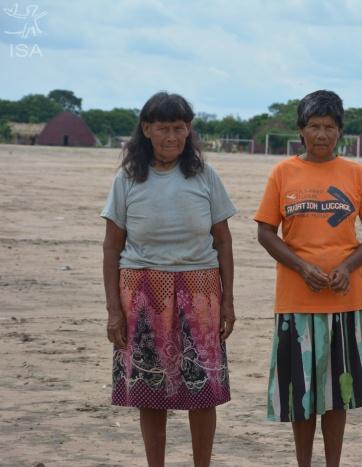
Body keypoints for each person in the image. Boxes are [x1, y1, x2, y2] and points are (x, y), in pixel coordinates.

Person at [101, 92, 236, 467]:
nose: (172, 136)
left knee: (203, 389)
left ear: (189, 130)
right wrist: (114, 311)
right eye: (163, 128)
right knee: (149, 390)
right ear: (146, 130)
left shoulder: (205, 176)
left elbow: (223, 240)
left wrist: (228, 301)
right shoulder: (127, 179)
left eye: (180, 128)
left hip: (201, 291)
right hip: (142, 292)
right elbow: (111, 248)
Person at [254, 90, 362, 467]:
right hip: (296, 301)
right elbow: (265, 232)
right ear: (301, 130)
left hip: (345, 301)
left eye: (329, 127)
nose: (322, 134)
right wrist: (300, 267)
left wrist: (347, 267)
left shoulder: (355, 174)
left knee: (337, 394)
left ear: (340, 131)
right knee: (301, 395)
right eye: (314, 126)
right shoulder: (283, 173)